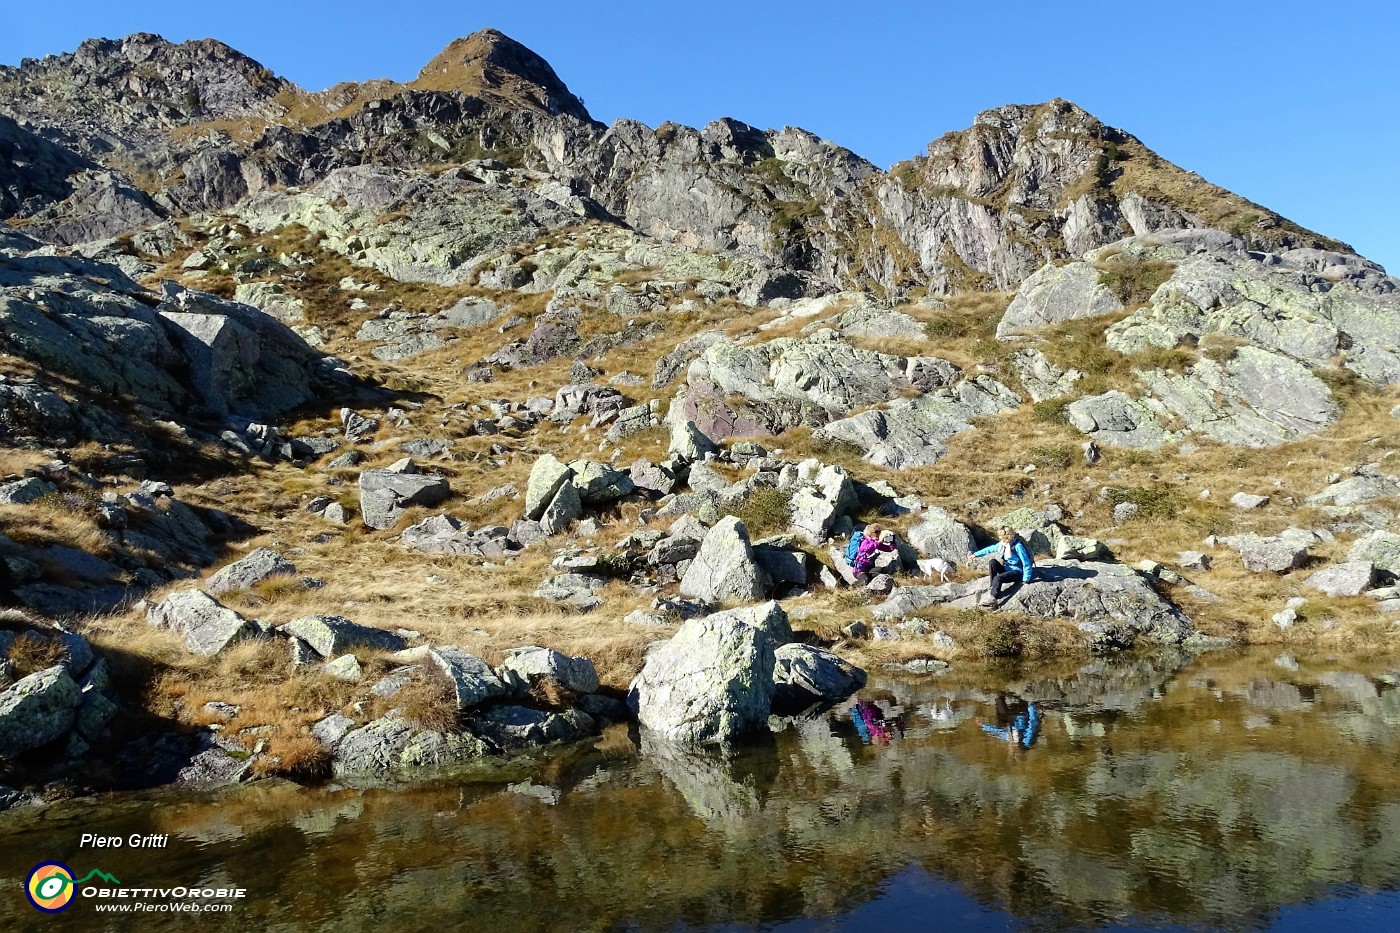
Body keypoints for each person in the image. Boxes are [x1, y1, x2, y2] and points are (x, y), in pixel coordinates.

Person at [972, 525, 1033, 607]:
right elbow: (989, 549)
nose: (999, 538)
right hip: (1007, 568)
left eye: (1001, 536)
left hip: (1017, 572)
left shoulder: (1018, 546)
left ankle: (993, 598)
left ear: (1007, 536)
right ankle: (993, 586)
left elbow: (1026, 562)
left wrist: (1026, 579)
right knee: (992, 562)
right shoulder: (1003, 544)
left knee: (998, 578)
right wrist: (975, 555)